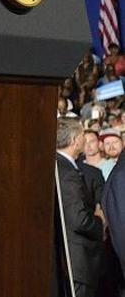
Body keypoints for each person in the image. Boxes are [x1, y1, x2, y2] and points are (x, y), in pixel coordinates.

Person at [57, 117, 104, 296]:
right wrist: (99, 221)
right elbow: (79, 220)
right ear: (75, 140)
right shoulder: (67, 171)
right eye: (83, 135)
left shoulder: (57, 165)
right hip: (76, 261)